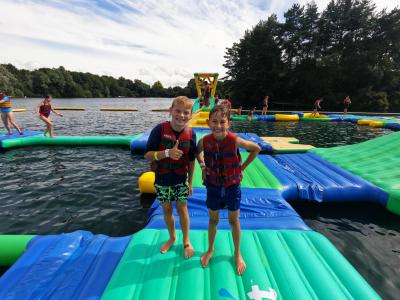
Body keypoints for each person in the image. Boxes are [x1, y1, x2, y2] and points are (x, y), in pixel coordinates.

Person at [197, 105, 261, 275]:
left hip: (232, 186)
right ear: (208, 123)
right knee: (213, 220)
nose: (218, 125)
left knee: (234, 221)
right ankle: (210, 249)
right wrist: (203, 166)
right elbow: (197, 153)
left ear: (229, 123)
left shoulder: (235, 140)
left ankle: (237, 253)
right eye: (214, 122)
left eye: (222, 122)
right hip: (213, 186)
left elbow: (256, 149)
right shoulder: (204, 141)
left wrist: (242, 168)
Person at [144, 96, 196, 259]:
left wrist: (190, 182)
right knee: (166, 209)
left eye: (186, 112)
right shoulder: (159, 130)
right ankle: (172, 237)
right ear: (170, 111)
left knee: (182, 208)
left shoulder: (191, 134)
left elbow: (191, 159)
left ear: (191, 115)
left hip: (180, 178)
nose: (181, 115)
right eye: (178, 111)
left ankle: (186, 241)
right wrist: (167, 153)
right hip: (162, 178)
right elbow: (147, 155)